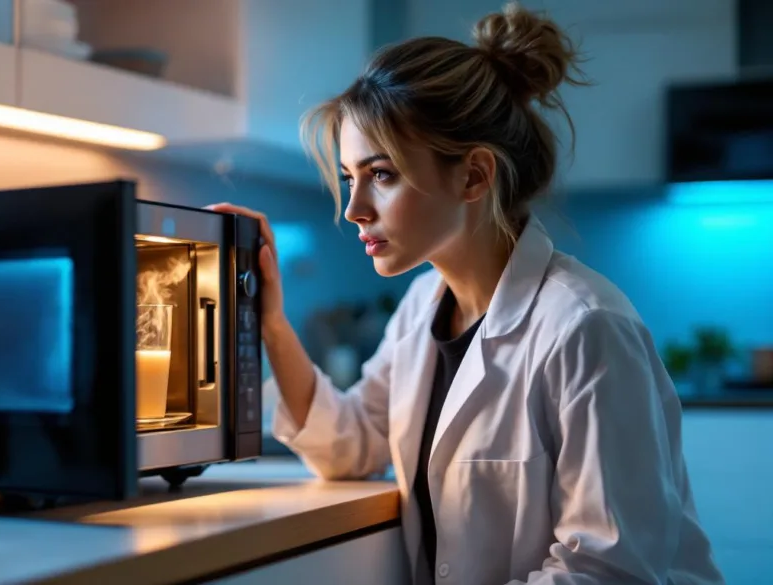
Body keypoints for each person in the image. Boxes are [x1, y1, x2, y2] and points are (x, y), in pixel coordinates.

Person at [208, 2, 725, 584]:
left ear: (475, 176)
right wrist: (271, 323)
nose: (353, 209)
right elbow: (349, 445)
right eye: (351, 178)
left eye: (381, 175)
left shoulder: (585, 327)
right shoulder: (421, 310)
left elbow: (609, 572)